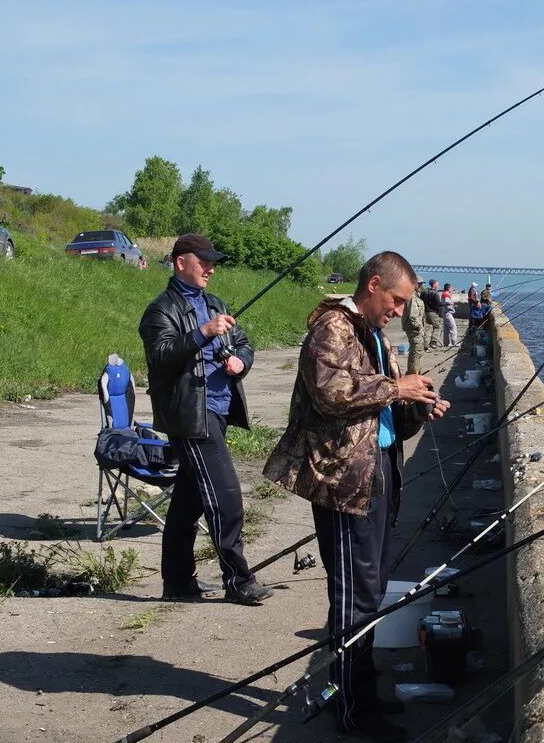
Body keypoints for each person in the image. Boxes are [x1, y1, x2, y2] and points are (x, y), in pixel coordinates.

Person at [263, 251, 449, 742]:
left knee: (370, 592)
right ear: (373, 285)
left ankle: (361, 692)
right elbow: (332, 394)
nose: (399, 311)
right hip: (346, 484)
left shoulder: (369, 332)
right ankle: (349, 707)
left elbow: (380, 412)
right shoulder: (332, 328)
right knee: (353, 597)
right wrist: (396, 386)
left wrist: (416, 404)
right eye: (396, 301)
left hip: (378, 472)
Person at [139, 234, 271, 605]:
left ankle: (178, 581)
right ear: (181, 262)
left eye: (213, 262)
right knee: (226, 497)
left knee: (189, 500)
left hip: (219, 409)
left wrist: (240, 361)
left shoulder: (215, 302)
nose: (210, 268)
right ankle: (239, 580)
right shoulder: (160, 311)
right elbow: (162, 357)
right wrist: (203, 333)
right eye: (204, 261)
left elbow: (243, 341)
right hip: (191, 417)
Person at [402, 276, 427, 374]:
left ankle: (416, 372)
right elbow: (413, 316)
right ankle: (413, 374)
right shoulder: (412, 297)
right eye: (419, 284)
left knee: (418, 351)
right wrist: (419, 328)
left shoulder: (416, 296)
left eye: (421, 284)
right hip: (414, 329)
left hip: (416, 329)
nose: (421, 286)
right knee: (416, 351)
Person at [422, 279, 444, 349]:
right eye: (437, 284)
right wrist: (447, 303)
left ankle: (425, 344)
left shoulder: (425, 292)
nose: (438, 285)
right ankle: (433, 342)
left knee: (427, 329)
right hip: (433, 313)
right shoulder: (435, 293)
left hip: (426, 312)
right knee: (437, 327)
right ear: (434, 285)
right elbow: (438, 303)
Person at [442, 283, 459, 347]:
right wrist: (452, 303)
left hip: (445, 312)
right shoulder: (446, 294)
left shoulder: (445, 294)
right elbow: (447, 302)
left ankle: (446, 343)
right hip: (447, 313)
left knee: (446, 329)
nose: (452, 289)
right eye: (451, 288)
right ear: (448, 288)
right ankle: (454, 342)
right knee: (453, 327)